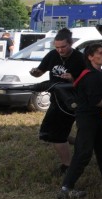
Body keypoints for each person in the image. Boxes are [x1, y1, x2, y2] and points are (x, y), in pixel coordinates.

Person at [58, 43, 102, 199]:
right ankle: (66, 187)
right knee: (83, 152)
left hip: (96, 116)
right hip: (87, 117)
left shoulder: (98, 73)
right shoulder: (91, 76)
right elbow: (97, 101)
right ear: (90, 57)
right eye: (99, 53)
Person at [30, 29, 86, 173]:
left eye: (63, 47)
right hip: (56, 99)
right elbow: (40, 72)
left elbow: (87, 81)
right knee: (46, 133)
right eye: (57, 47)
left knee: (57, 135)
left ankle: (67, 166)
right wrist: (35, 72)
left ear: (71, 43)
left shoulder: (80, 58)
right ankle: (83, 143)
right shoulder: (52, 55)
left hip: (71, 101)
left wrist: (73, 79)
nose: (60, 50)